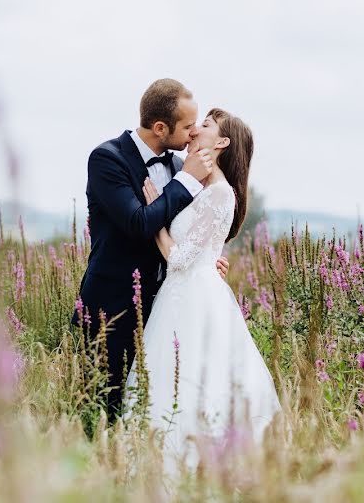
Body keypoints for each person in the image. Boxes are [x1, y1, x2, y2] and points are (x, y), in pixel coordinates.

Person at [124, 108, 281, 472]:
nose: (196, 130)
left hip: (193, 297)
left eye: (206, 125)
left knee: (192, 379)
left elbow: (179, 258)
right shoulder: (195, 181)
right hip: (180, 293)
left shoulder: (220, 194)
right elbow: (199, 247)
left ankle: (198, 467)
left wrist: (152, 215)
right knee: (167, 381)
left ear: (222, 142)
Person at [73, 78, 229, 418]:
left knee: (157, 412)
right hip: (111, 313)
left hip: (166, 313)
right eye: (188, 126)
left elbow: (189, 230)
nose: (192, 134)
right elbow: (139, 223)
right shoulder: (106, 159)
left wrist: (204, 261)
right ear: (160, 127)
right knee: (103, 414)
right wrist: (187, 180)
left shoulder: (175, 165)